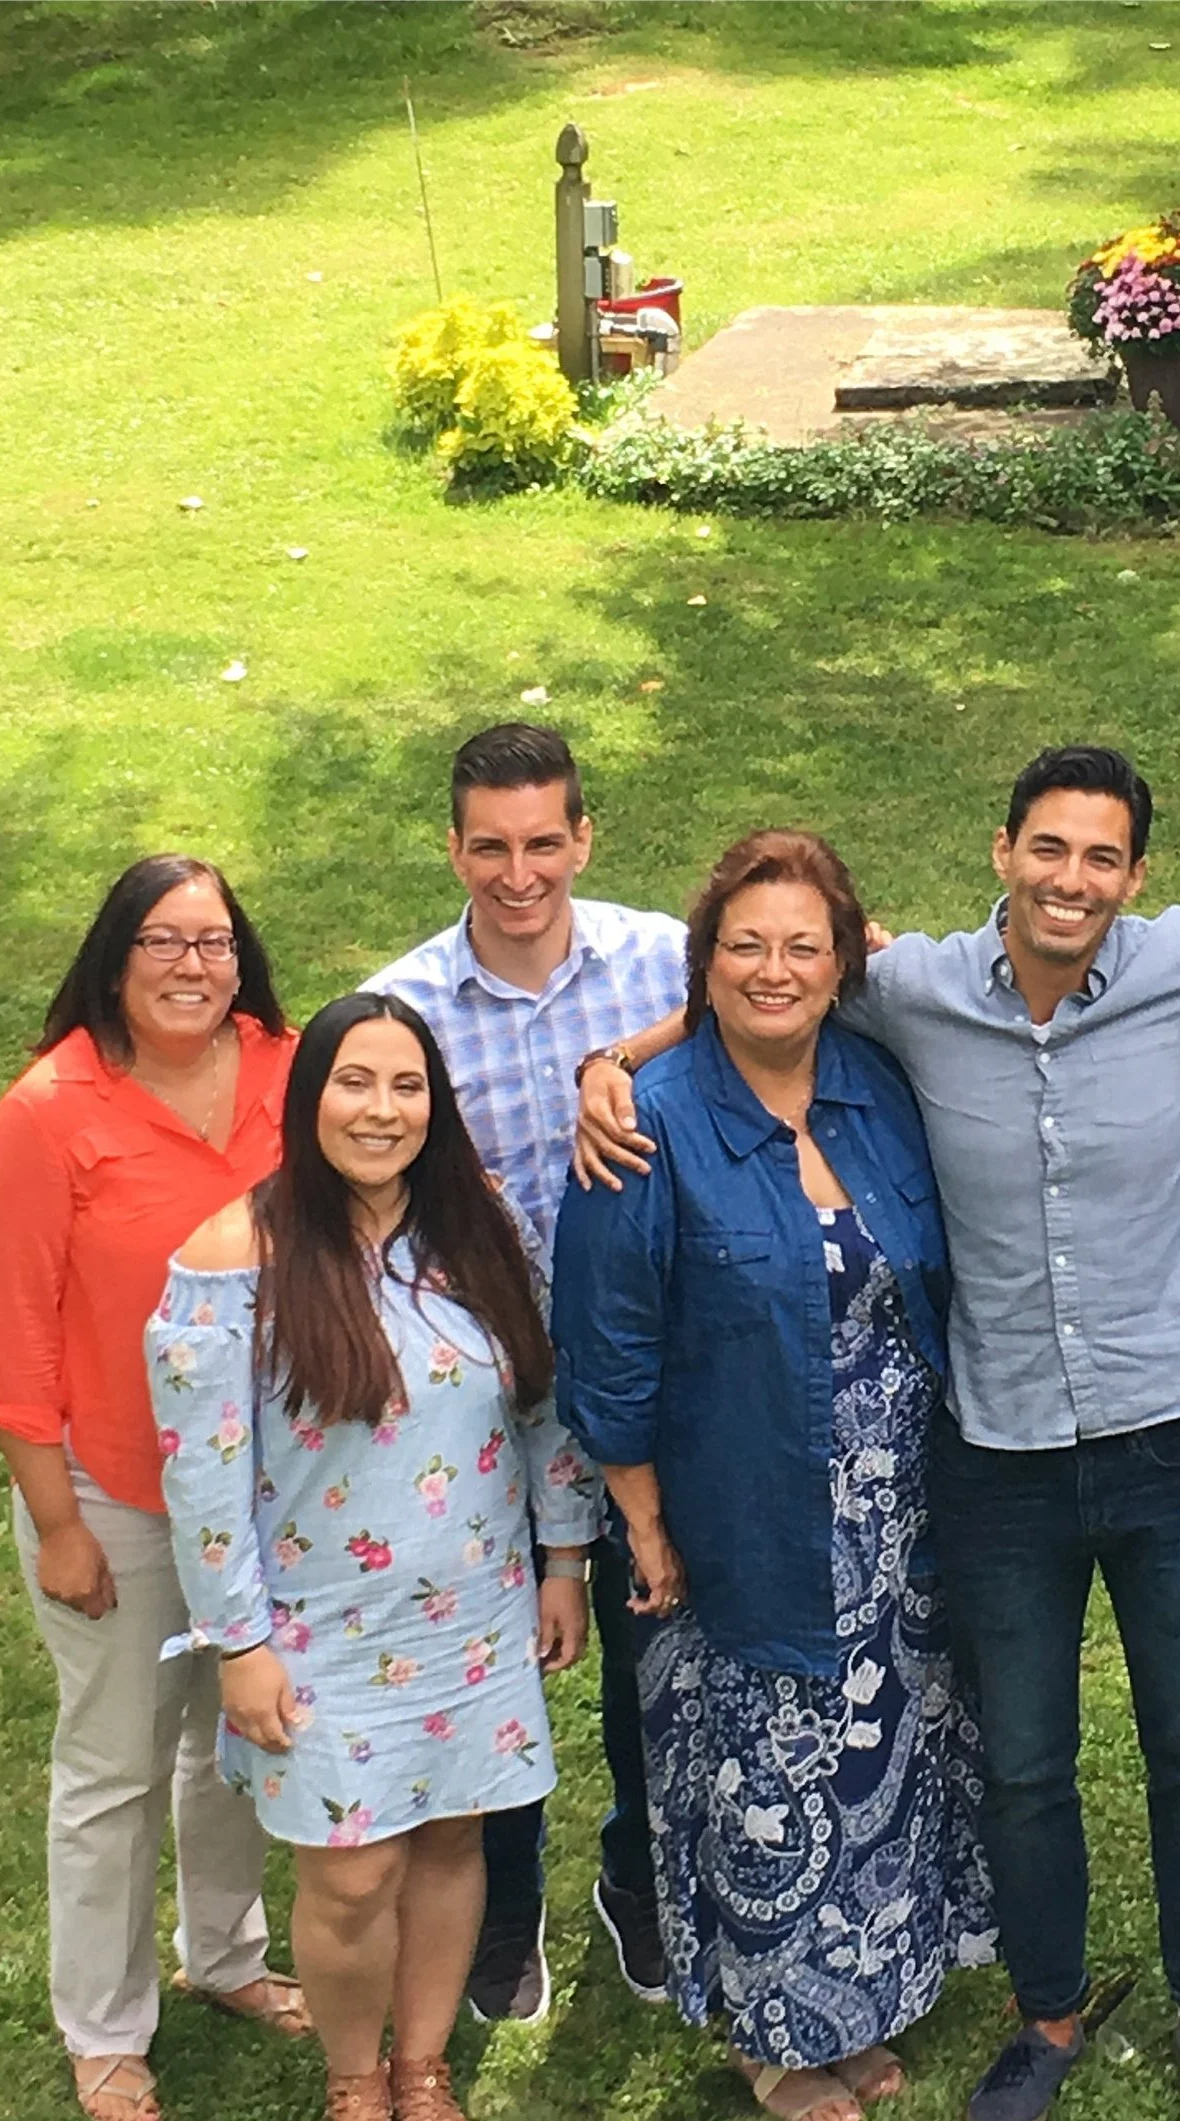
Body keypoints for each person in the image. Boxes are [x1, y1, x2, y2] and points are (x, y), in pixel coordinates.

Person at [571, 744, 1180, 2121]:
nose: (1071, 880)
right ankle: (1052, 2012)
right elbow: (772, 990)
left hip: (1177, 1437)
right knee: (1022, 1757)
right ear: (1003, 850)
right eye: (1049, 850)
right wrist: (623, 1058)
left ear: (1135, 879)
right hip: (1000, 1449)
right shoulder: (918, 993)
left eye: (1102, 859)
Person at [550, 832, 995, 2121]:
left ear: (843, 961)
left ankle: (861, 2001)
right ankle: (772, 2034)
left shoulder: (873, 1082)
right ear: (704, 962)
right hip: (735, 1505)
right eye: (745, 942)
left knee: (883, 1752)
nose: (775, 968)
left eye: (805, 944)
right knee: (762, 1770)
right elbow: (606, 1342)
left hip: (901, 1508)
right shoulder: (650, 1125)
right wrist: (642, 1522)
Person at [148, 994, 598, 2121]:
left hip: (476, 1609)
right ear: (311, 1100)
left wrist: (563, 1561)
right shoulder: (233, 1254)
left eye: (407, 1087)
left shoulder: (480, 1233)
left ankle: (425, 2067)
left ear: (434, 1107)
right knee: (349, 1870)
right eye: (356, 1082)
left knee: (455, 1836)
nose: (382, 1110)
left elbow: (545, 1407)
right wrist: (237, 1643)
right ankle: (354, 2083)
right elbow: (203, 1477)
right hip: (313, 1631)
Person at [0, 855, 308, 2121]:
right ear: (116, 957)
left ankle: (224, 1955)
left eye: (215, 942)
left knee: (232, 1741)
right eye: (163, 941)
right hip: (113, 1493)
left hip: (268, 1486)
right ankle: (104, 2032)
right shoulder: (48, 1113)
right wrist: (58, 1524)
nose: (191, 965)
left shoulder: (286, 1070)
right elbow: (14, 1347)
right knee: (112, 1765)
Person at [371, 722, 690, 2022]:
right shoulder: (407, 1008)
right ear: (454, 848)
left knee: (643, 1637)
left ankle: (638, 1872)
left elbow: (773, 1001)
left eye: (543, 842)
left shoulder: (661, 956)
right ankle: (504, 1906)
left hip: (642, 1381)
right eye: (490, 848)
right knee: (486, 1661)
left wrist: (619, 1062)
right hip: (477, 1399)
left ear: (582, 837)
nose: (519, 874)